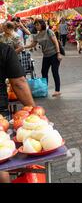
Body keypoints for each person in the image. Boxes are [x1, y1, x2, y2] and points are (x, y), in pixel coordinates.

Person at [0, 42, 35, 183]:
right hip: (0, 116)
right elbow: (19, 83)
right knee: (1, 162)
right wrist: (33, 111)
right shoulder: (4, 49)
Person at [24, 19, 63, 97]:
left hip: (54, 54)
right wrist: (23, 47)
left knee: (54, 71)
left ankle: (57, 90)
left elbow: (56, 42)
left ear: (42, 24)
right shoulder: (37, 35)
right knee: (44, 72)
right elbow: (33, 45)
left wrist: (58, 53)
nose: (36, 26)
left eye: (38, 24)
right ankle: (44, 89)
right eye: (35, 25)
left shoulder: (49, 32)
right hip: (46, 56)